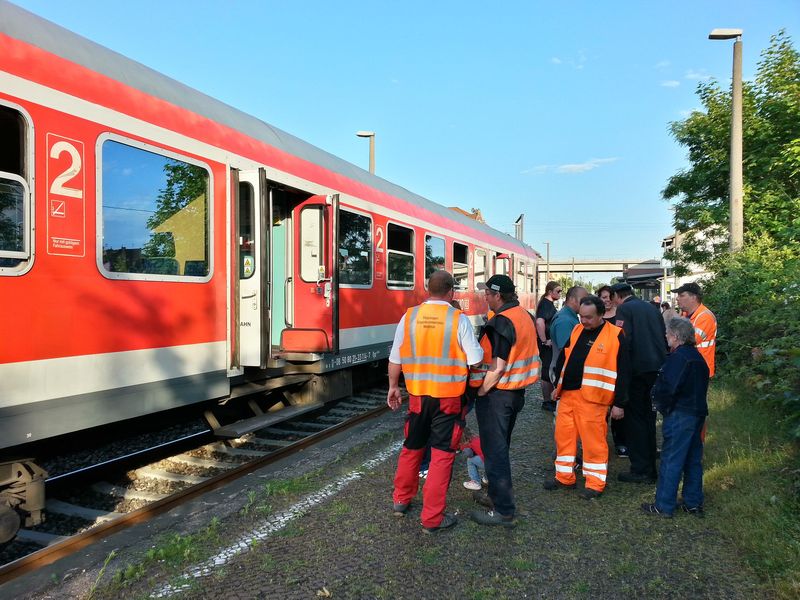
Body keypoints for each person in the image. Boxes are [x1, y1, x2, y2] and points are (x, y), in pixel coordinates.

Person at [387, 270, 483, 533]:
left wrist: (394, 386)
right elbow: (475, 360)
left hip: (418, 396)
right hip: (448, 399)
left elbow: (395, 357)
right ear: (451, 292)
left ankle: (401, 500)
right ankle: (432, 519)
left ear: (428, 290)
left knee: (412, 447)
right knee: (441, 455)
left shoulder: (410, 316)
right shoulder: (457, 319)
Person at [544, 296, 630, 499]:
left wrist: (620, 403)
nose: (584, 321)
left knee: (594, 443)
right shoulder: (577, 329)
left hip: (594, 399)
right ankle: (564, 477)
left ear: (601, 314)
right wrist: (558, 385)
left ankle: (595, 483)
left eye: (589, 317)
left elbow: (625, 371)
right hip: (568, 395)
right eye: (581, 316)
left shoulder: (615, 335)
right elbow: (565, 358)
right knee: (564, 437)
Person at [471, 274, 539, 527]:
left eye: (487, 293)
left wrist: (481, 391)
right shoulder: (523, 315)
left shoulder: (501, 322)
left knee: (495, 451)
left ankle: (503, 511)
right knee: (500, 446)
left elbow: (497, 367)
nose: (485, 297)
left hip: (497, 395)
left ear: (498, 295)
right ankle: (495, 496)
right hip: (515, 394)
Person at [641, 317, 709, 517]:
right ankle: (693, 502)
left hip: (681, 414)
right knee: (693, 459)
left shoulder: (678, 358)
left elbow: (669, 387)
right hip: (697, 413)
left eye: (668, 333)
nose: (665, 336)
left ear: (676, 336)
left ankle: (664, 505)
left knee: (672, 459)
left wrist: (660, 405)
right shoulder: (698, 357)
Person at [611, 282, 667, 483]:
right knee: (649, 419)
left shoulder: (624, 309)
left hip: (636, 371)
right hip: (656, 369)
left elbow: (623, 341)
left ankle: (640, 469)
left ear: (617, 296)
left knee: (634, 421)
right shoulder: (651, 308)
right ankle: (650, 465)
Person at [598, 284, 626, 457]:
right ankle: (599, 441)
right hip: (600, 367)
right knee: (601, 410)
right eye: (603, 297)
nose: (606, 300)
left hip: (616, 366)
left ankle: (620, 442)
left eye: (609, 297)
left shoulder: (621, 316)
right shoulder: (596, 317)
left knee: (618, 408)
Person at [674, 282, 717, 378]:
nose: (677, 298)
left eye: (681, 295)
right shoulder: (685, 315)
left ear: (693, 298)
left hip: (699, 369)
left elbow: (689, 341)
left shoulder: (705, 317)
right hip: (689, 366)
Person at [549, 286, 588, 383]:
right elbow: (567, 352)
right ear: (571, 299)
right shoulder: (565, 321)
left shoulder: (568, 316)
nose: (586, 303)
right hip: (565, 373)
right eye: (583, 300)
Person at [536, 281, 561, 411]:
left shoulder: (548, 303)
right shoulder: (546, 304)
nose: (560, 294)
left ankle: (549, 400)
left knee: (548, 370)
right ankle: (547, 402)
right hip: (546, 344)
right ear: (550, 292)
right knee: (546, 372)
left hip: (547, 343)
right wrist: (545, 340)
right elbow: (539, 322)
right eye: (558, 291)